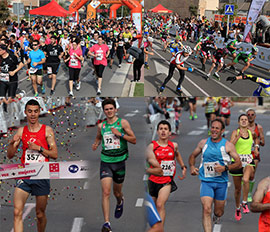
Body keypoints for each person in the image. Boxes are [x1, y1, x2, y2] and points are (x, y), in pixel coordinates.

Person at [7, 99, 58, 232]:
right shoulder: (21, 131)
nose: (33, 114)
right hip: (24, 175)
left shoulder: (47, 131)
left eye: (35, 111)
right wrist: (12, 143)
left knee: (40, 214)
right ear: (25, 113)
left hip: (41, 175)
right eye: (30, 111)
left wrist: (39, 148)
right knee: (17, 212)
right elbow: (10, 155)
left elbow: (54, 154)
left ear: (39, 111)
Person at [92, 98, 136, 232]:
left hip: (120, 162)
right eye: (106, 109)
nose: (109, 111)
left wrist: (120, 134)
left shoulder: (123, 123)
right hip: (106, 161)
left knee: (117, 192)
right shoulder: (101, 126)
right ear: (103, 111)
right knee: (106, 192)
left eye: (111, 109)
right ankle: (107, 223)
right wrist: (96, 143)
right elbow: (99, 137)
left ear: (115, 109)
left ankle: (120, 201)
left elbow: (133, 140)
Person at [189, 119, 241, 232]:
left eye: (217, 128)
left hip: (221, 182)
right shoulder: (203, 143)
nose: (214, 130)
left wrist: (225, 168)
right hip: (206, 181)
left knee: (218, 212)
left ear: (222, 130)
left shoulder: (228, 145)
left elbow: (238, 163)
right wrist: (192, 167)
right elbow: (192, 156)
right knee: (207, 209)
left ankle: (216, 216)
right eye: (212, 127)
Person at [146, 120, 187, 226]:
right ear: (157, 131)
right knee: (153, 208)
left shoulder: (174, 145)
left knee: (160, 205)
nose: (163, 131)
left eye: (165, 129)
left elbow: (177, 154)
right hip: (153, 180)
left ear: (169, 132)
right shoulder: (152, 146)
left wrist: (183, 166)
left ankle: (160, 229)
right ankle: (155, 227)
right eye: (161, 129)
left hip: (166, 181)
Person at [229, 114, 259, 221]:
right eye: (242, 120)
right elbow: (230, 145)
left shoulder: (251, 132)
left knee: (246, 179)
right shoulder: (235, 132)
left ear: (248, 122)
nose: (244, 121)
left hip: (248, 161)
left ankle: (244, 203)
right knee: (237, 189)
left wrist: (256, 147)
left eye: (245, 120)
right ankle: (237, 208)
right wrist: (238, 136)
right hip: (237, 162)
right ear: (238, 122)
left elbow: (256, 139)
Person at [247, 108, 265, 202]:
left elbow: (263, 142)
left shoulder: (259, 127)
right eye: (248, 115)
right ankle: (245, 190)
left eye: (252, 115)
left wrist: (257, 141)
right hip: (244, 153)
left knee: (252, 174)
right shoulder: (242, 128)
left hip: (254, 153)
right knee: (245, 175)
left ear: (255, 116)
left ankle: (249, 193)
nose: (250, 116)